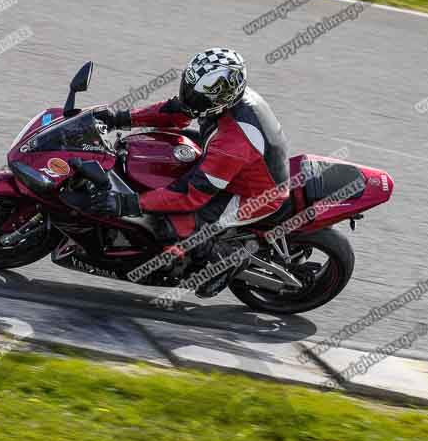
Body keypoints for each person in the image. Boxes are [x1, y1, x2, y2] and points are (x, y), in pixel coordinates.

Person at [92, 48, 290, 297]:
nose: (189, 99)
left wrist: (126, 202)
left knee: (174, 224)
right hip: (240, 166)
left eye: (196, 97)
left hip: (255, 195)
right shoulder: (219, 100)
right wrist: (120, 118)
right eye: (188, 87)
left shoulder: (233, 141)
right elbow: (178, 111)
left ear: (222, 98)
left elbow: (189, 196)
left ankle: (227, 260)